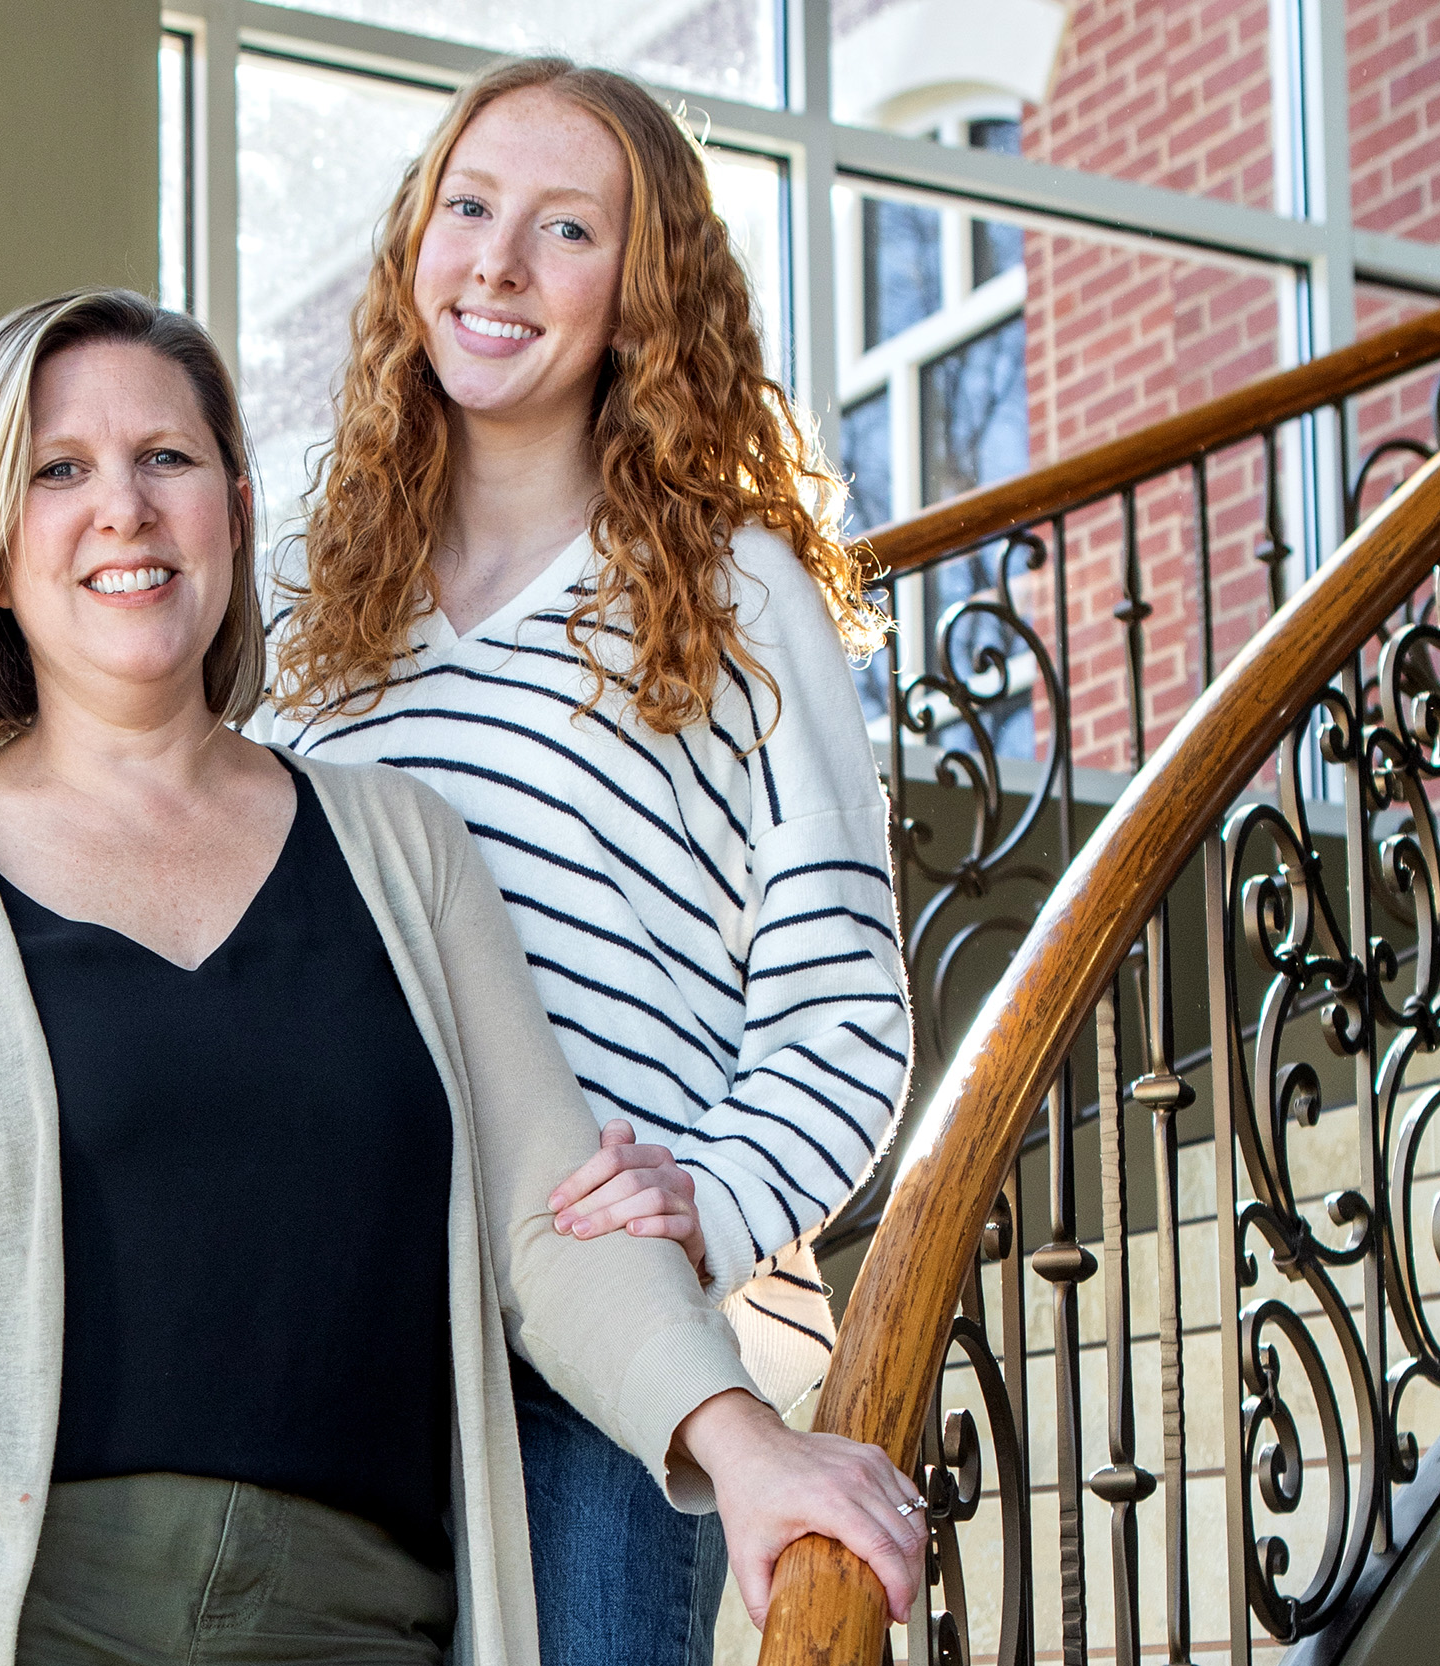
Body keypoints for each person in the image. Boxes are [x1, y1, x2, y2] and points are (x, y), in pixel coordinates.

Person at [0, 289, 922, 1666]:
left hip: (365, 1626)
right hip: (18, 1624)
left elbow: (550, 1231)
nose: (125, 508)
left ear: (233, 499)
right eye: (59, 470)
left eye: (167, 458)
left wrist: (743, 1442)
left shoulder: (406, 850)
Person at [269, 58, 915, 1666]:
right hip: (343, 1342)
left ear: (642, 297)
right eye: (468, 208)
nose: (494, 261)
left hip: (608, 1368)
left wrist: (707, 1202)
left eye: (564, 228)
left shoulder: (737, 591)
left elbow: (845, 1011)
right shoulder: (314, 611)